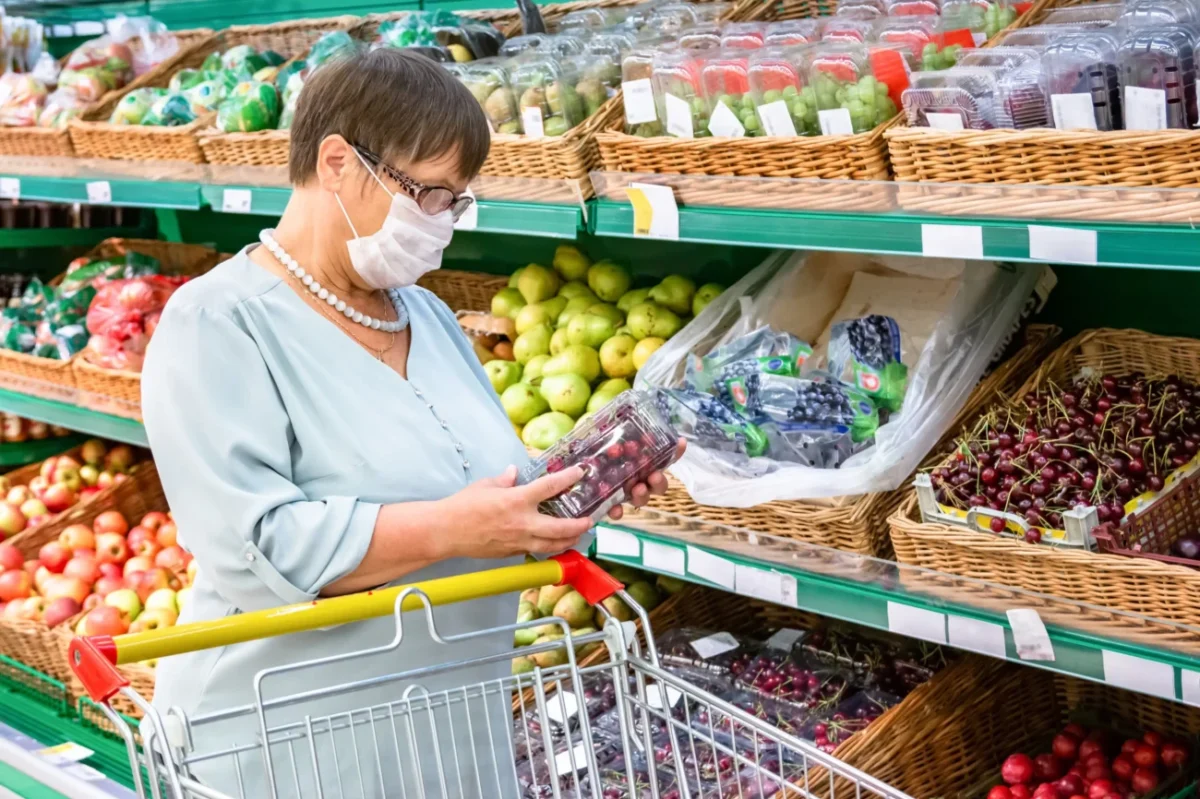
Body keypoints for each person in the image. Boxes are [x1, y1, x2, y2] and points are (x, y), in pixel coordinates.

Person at [141, 48, 680, 798]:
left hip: (446, 741)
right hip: (286, 751)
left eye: (456, 203)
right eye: (429, 194)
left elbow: (481, 484)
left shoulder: (426, 314)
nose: (442, 224)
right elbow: (254, 546)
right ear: (338, 163)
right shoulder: (217, 321)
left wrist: (560, 502)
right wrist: (455, 529)